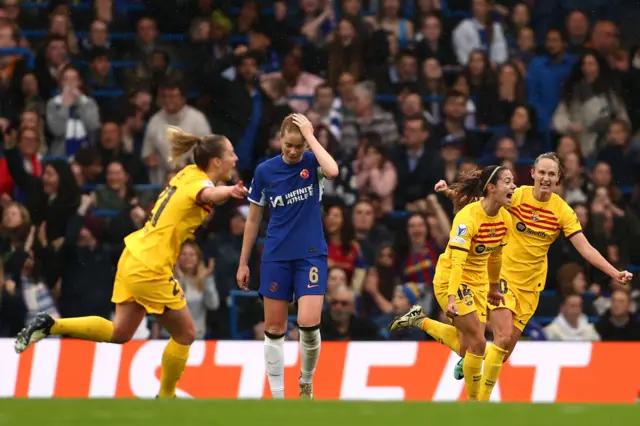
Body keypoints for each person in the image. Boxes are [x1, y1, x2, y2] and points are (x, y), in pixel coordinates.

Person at [14, 126, 248, 399]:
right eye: (231, 154)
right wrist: (229, 190)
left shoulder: (188, 174)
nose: (236, 159)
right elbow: (206, 195)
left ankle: (50, 325)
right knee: (186, 334)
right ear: (217, 161)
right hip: (151, 266)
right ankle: (167, 397)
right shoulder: (200, 184)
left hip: (135, 254)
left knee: (120, 332)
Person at [434, 152, 633, 395]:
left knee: (503, 353)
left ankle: (467, 354)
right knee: (502, 337)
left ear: (558, 178)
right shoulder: (516, 195)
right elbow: (483, 203)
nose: (546, 178)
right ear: (533, 174)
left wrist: (614, 273)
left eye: (551, 174)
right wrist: (449, 193)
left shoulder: (562, 211)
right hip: (502, 277)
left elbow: (585, 247)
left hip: (531, 287)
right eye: (542, 172)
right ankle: (480, 403)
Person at [390, 165, 516, 401]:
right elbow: (457, 262)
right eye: (508, 182)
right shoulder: (466, 219)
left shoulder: (504, 219)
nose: (514, 187)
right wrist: (450, 298)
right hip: (451, 278)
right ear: (492, 188)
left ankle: (420, 321)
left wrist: (492, 287)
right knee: (478, 342)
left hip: (478, 282)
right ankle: (475, 403)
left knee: (469, 348)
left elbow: (497, 256)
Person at [237, 113, 339, 400]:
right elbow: (254, 220)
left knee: (308, 322)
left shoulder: (313, 162)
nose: (293, 151)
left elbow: (333, 171)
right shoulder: (265, 172)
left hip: (310, 255)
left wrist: (311, 136)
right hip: (276, 256)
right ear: (279, 141)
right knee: (274, 327)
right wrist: (244, 262)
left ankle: (306, 382)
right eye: (288, 145)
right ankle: (278, 397)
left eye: (299, 145)